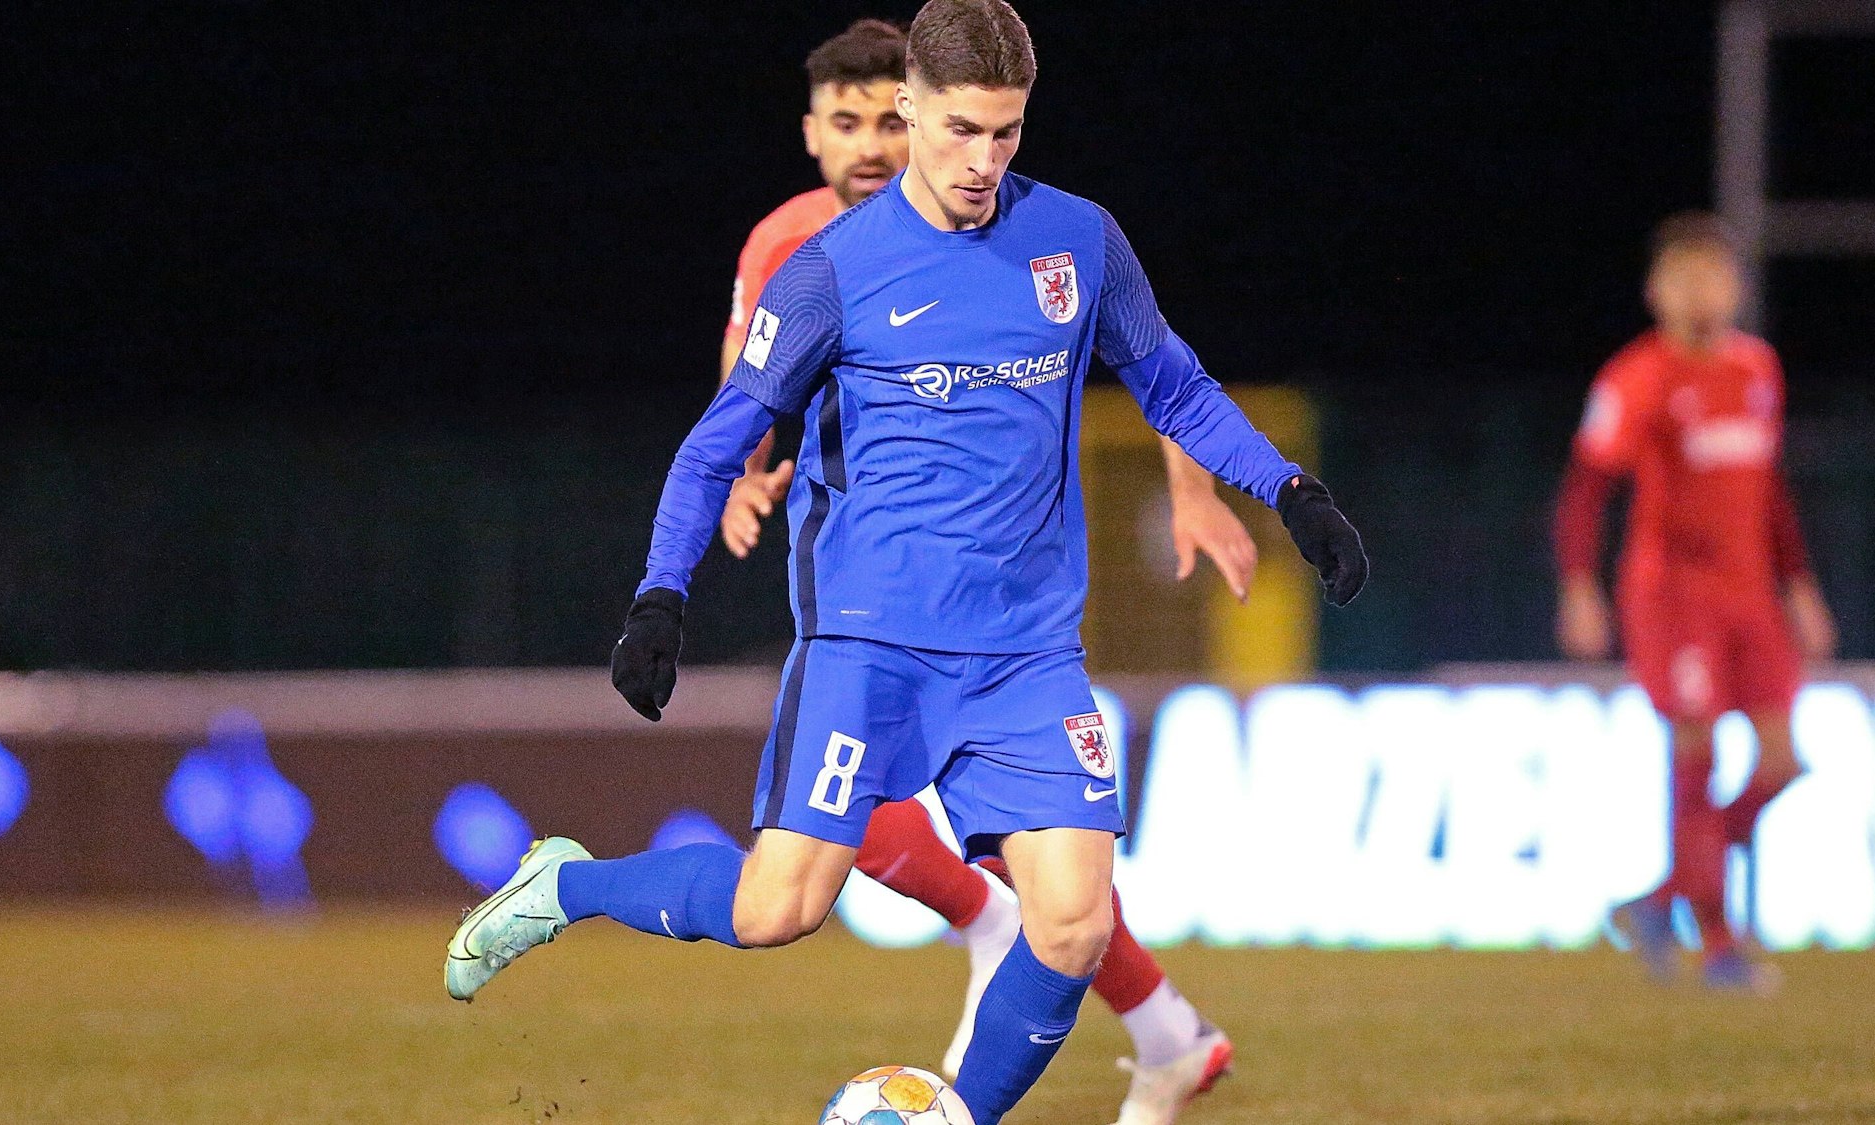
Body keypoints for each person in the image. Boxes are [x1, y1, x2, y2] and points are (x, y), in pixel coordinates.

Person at [447, 3, 1366, 1122]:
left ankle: (952, 1115)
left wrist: (1292, 492)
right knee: (777, 909)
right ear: (911, 108)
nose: (983, 161)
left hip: (1025, 653)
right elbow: (716, 445)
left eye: (1006, 133)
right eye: (961, 130)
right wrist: (659, 596)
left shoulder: (1077, 241)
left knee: (1073, 922)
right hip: (869, 646)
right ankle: (567, 882)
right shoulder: (831, 272)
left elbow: (1173, 385)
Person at [714, 19, 1247, 1123]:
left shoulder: (1012, 227)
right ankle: (1157, 1026)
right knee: (881, 833)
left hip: (993, 596)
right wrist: (739, 477)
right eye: (846, 122)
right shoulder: (794, 248)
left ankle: (1044, 959)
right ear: (812, 134)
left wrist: (1192, 486)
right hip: (863, 576)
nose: (869, 143)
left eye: (884, 118)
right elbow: (741, 391)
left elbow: (1152, 360)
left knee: (1012, 863)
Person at [1554, 211, 1836, 995]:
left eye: (1713, 275)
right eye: (1683, 277)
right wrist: (1578, 584)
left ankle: (1659, 900)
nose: (1699, 291)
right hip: (1673, 595)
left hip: (1751, 595)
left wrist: (1800, 587)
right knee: (1697, 751)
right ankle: (1718, 945)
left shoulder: (1757, 369)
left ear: (1736, 288)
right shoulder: (1636, 377)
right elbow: (1585, 489)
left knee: (1782, 761)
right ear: (1656, 291)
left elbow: (1769, 489)